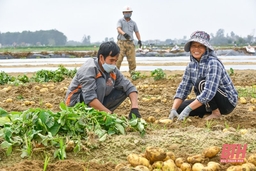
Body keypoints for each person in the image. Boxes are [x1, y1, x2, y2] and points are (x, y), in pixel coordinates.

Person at [169, 31, 238, 121]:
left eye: (200, 46)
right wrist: (173, 109)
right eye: (194, 46)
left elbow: (209, 92)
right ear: (190, 48)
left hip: (226, 102)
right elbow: (183, 88)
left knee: (201, 83)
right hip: (207, 101)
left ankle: (216, 113)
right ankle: (207, 111)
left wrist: (188, 109)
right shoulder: (190, 66)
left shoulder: (213, 63)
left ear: (206, 48)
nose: (196, 49)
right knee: (180, 109)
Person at [65, 41, 141, 119]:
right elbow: (90, 98)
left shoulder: (113, 70)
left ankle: (101, 113)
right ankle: (96, 114)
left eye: (116, 60)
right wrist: (110, 114)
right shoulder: (89, 69)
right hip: (75, 106)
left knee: (123, 89)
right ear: (101, 58)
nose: (114, 64)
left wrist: (134, 108)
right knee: (101, 82)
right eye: (111, 60)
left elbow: (130, 87)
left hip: (96, 102)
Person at [116, 6, 142, 75]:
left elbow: (136, 32)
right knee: (118, 59)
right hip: (121, 43)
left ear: (131, 13)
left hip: (130, 43)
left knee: (132, 60)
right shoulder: (120, 21)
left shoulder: (133, 23)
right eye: (126, 12)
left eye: (129, 12)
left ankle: (133, 74)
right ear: (123, 13)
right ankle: (115, 75)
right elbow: (118, 29)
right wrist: (124, 34)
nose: (128, 13)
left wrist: (139, 40)